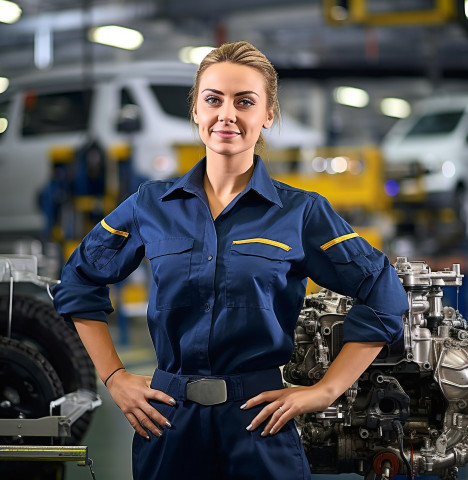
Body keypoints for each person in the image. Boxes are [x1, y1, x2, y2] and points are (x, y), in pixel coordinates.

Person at [52, 41, 408, 480]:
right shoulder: (151, 205)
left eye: (245, 102)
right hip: (167, 421)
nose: (227, 115)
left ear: (268, 116)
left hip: (259, 421)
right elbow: (78, 281)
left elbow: (384, 292)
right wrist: (114, 378)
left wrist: (326, 390)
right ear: (195, 112)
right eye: (213, 99)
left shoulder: (301, 213)